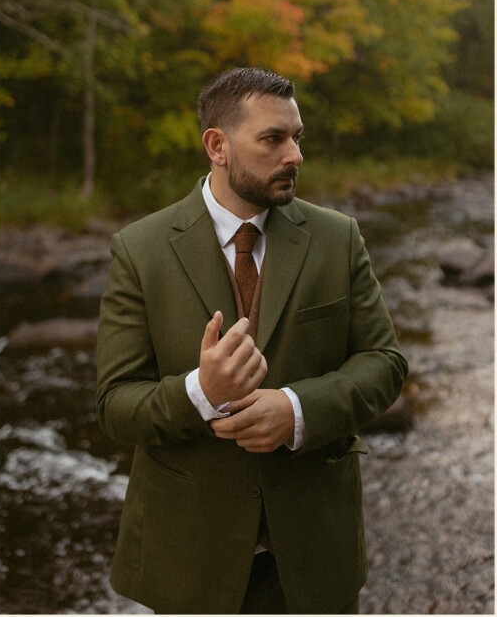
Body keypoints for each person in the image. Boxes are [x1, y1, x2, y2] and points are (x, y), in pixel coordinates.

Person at [96, 67, 407, 613]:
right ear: (217, 145)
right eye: (273, 139)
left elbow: (385, 363)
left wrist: (297, 409)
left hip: (314, 555)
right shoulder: (139, 250)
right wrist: (200, 391)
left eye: (297, 137)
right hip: (189, 559)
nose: (295, 156)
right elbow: (116, 406)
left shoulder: (339, 238)